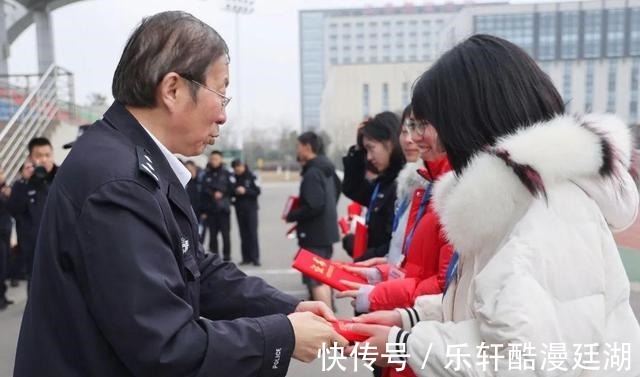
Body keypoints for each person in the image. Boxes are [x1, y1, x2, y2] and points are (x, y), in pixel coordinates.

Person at [14, 11, 347, 377]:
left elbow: (192, 268)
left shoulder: (134, 158)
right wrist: (281, 336)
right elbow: (166, 348)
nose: (222, 115)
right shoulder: (120, 184)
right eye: (220, 92)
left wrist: (286, 309)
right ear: (172, 90)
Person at [348, 34, 640, 376]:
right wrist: (411, 318)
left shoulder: (548, 209)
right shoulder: (516, 199)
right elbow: (496, 315)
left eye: (430, 123)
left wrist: (405, 344)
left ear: (472, 118)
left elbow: (523, 362)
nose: (425, 138)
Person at [286, 131, 341, 308]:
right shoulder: (328, 169)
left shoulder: (313, 172)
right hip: (326, 232)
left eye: (298, 146)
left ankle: (326, 320)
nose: (297, 150)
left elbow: (314, 205)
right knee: (324, 276)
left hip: (314, 234)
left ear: (307, 147)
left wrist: (293, 214)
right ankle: (329, 310)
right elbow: (334, 195)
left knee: (316, 280)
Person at [342, 111, 404, 262]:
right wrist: (357, 150)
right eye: (365, 151)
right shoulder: (384, 183)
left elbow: (395, 245)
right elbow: (352, 187)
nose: (368, 157)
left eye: (371, 148)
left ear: (390, 142)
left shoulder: (402, 185)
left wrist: (363, 258)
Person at [7, 137, 57, 289]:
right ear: (30, 158)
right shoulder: (22, 183)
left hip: (59, 246)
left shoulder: (62, 176)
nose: (44, 159)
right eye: (39, 156)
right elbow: (13, 210)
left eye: (47, 155)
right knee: (36, 290)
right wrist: (24, 181)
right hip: (33, 250)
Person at [202, 150, 234, 260]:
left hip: (223, 210)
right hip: (211, 210)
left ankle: (227, 256)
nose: (214, 161)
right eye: (212, 159)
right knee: (212, 236)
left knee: (226, 235)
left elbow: (231, 188)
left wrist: (222, 193)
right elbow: (204, 189)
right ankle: (214, 258)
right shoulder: (206, 174)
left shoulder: (227, 174)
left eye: (216, 159)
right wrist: (213, 193)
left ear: (221, 160)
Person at [231, 159, 261, 266]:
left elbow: (257, 191)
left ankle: (255, 258)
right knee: (243, 234)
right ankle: (246, 258)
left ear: (244, 166)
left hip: (251, 209)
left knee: (252, 233)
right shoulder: (233, 178)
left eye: (239, 166)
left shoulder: (252, 176)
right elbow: (229, 191)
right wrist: (235, 191)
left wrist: (245, 191)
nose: (238, 169)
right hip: (239, 209)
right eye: (235, 167)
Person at [184, 160, 206, 240]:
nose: (189, 171)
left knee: (200, 237)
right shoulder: (184, 181)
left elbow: (205, 196)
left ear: (194, 168)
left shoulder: (201, 180)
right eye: (187, 169)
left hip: (200, 213)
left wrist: (204, 212)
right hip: (188, 212)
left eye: (190, 169)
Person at [0, 167, 12, 309]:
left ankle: (3, 295)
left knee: (6, 263)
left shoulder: (6, 189)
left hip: (6, 231)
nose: (2, 175)